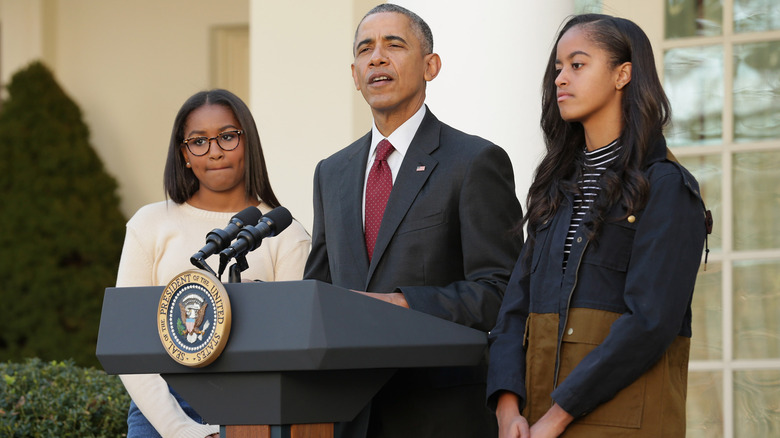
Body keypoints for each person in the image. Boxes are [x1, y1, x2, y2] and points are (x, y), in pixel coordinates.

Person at [304, 4, 523, 438]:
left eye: (394, 45)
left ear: (431, 65)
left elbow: (502, 292)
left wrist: (403, 303)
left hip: (440, 414)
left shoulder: (475, 162)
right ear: (354, 74)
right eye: (365, 49)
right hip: (351, 416)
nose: (377, 58)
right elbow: (322, 291)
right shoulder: (332, 172)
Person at [486, 14, 710, 438]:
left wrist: (556, 417)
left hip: (618, 424)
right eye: (557, 68)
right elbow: (514, 310)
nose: (560, 79)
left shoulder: (667, 187)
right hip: (533, 424)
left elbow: (651, 322)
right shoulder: (556, 186)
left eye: (577, 64)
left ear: (623, 73)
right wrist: (507, 406)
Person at [117, 89, 312, 438]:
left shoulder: (286, 234)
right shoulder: (149, 224)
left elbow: (293, 347)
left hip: (254, 407)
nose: (215, 151)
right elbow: (127, 344)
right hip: (160, 411)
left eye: (227, 136)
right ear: (184, 155)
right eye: (198, 141)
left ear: (247, 142)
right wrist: (179, 429)